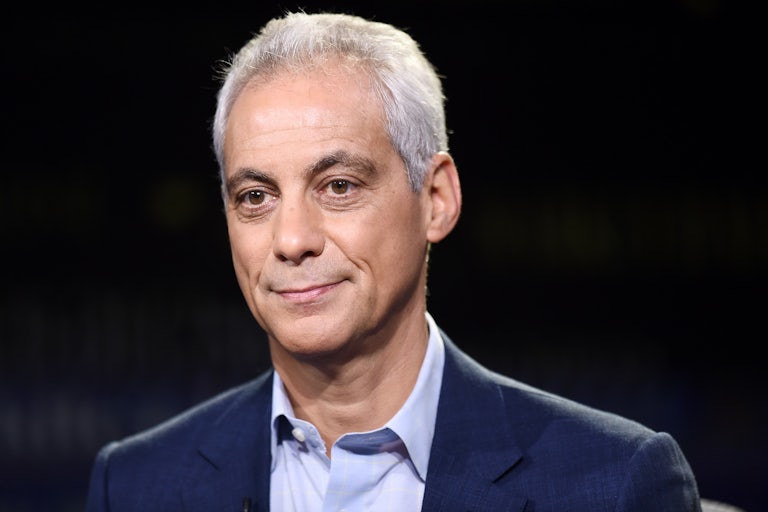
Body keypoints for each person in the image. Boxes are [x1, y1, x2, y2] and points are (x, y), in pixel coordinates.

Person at [84, 11, 702, 512]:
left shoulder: (613, 484)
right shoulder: (135, 486)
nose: (291, 239)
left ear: (436, 199)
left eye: (339, 186)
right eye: (255, 197)